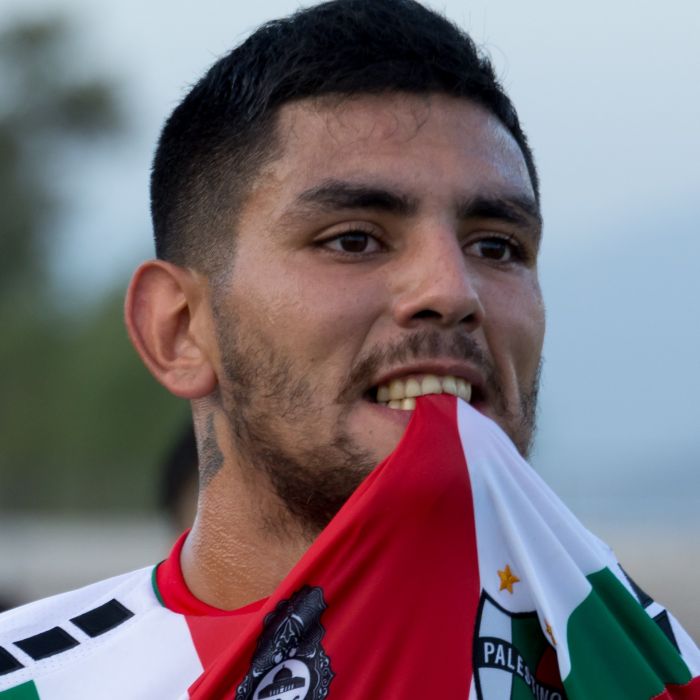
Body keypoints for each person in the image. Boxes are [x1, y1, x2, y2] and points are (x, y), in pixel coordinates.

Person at [1, 1, 698, 698]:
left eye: (496, 247)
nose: (451, 291)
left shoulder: (651, 674)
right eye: (354, 240)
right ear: (179, 330)